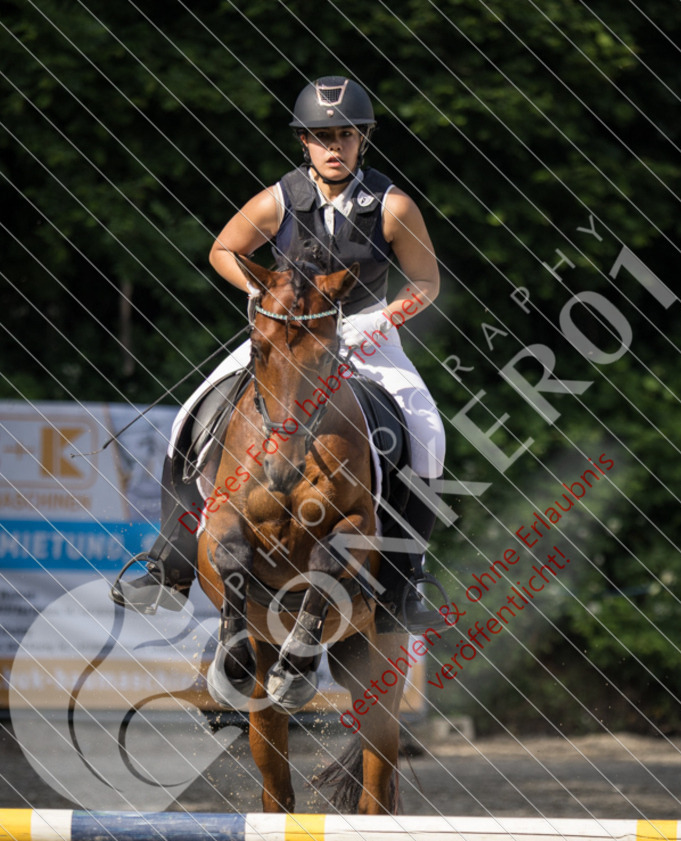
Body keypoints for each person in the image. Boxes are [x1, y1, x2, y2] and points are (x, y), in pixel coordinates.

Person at [111, 76, 446, 630]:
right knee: (190, 419)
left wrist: (379, 321)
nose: (334, 147)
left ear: (363, 139)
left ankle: (404, 582)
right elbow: (223, 249)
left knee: (428, 433)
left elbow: (426, 284)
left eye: (345, 135)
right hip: (284, 336)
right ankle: (168, 566)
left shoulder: (392, 206)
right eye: (321, 137)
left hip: (366, 338)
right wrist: (260, 296)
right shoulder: (278, 199)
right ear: (304, 144)